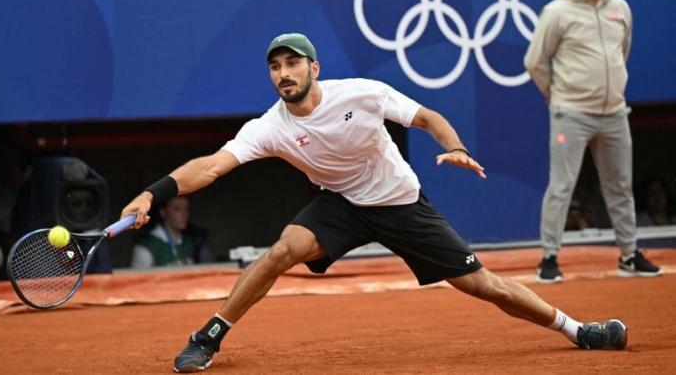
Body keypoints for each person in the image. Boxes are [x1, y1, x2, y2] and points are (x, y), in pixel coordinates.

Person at [123, 33, 629, 373]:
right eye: (275, 66)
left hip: (400, 202)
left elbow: (428, 117)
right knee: (280, 252)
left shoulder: (361, 94)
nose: (284, 73)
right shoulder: (269, 126)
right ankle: (210, 335)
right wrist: (153, 191)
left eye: (293, 63)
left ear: (314, 68)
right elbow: (211, 165)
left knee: (482, 284)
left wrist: (454, 147)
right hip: (341, 203)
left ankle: (578, 329)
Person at [524, 0, 662, 283]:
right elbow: (534, 61)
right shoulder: (557, 12)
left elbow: (621, 54)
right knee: (561, 186)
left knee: (620, 186)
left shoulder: (621, 8)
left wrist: (610, 88)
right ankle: (549, 258)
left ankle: (629, 255)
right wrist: (557, 96)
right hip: (571, 113)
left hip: (614, 112)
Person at [130, 196, 195, 268]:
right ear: (162, 212)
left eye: (187, 209)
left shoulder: (188, 242)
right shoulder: (146, 246)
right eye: (177, 209)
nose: (184, 214)